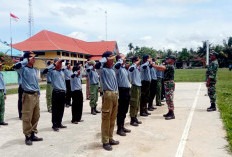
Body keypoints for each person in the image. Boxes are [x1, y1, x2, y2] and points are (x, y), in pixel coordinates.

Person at [14, 52, 43, 145]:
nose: (34, 59)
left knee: (36, 115)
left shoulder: (34, 70)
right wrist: (25, 60)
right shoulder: (22, 69)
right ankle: (27, 136)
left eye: (34, 57)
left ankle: (33, 134)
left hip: (35, 95)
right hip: (28, 95)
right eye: (32, 57)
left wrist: (38, 92)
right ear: (27, 59)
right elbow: (15, 66)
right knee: (27, 117)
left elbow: (36, 82)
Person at [95, 51, 119, 151]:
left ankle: (110, 138)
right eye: (111, 58)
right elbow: (97, 66)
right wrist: (105, 58)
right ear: (106, 59)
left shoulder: (112, 70)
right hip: (108, 94)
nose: (113, 60)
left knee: (113, 118)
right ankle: (105, 141)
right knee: (106, 118)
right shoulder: (102, 70)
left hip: (115, 94)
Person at [44, 58, 67, 132]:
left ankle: (59, 123)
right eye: (59, 63)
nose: (60, 65)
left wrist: (65, 92)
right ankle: (54, 124)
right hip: (56, 92)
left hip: (62, 92)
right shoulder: (52, 71)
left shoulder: (62, 72)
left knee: (61, 109)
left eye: (61, 63)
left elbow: (64, 83)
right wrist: (53, 64)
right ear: (55, 63)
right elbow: (45, 71)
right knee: (55, 110)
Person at [152, 55, 176, 120]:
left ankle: (172, 114)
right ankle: (169, 111)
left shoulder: (170, 66)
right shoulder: (168, 66)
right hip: (167, 83)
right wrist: (155, 66)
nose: (167, 59)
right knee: (168, 98)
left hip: (169, 83)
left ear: (172, 60)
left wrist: (153, 65)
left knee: (170, 98)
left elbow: (161, 68)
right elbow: (160, 68)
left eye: (169, 59)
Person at [114, 54, 131, 136]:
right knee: (121, 110)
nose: (125, 58)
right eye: (123, 57)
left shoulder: (123, 68)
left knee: (125, 109)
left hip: (127, 90)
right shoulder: (117, 67)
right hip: (122, 90)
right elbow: (116, 67)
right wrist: (120, 60)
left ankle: (122, 126)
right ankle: (119, 128)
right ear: (119, 59)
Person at [128, 56, 142, 126]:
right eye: (137, 60)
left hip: (138, 87)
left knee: (137, 103)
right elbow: (130, 69)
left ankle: (135, 116)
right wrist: (135, 64)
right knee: (134, 103)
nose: (139, 62)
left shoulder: (136, 68)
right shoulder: (132, 67)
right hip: (134, 87)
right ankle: (132, 118)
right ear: (134, 61)